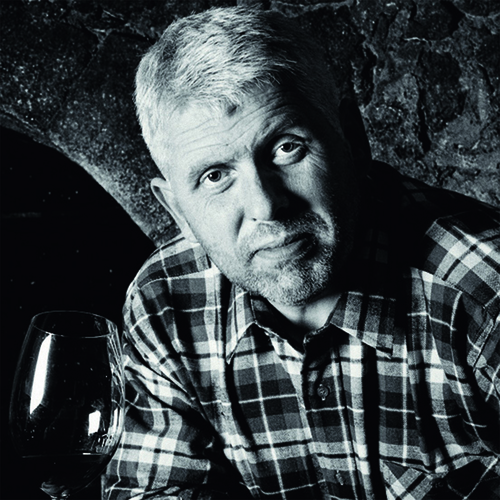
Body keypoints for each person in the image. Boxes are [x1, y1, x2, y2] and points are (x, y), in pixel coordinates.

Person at [103, 6, 500, 500]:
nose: (266, 206)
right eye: (215, 176)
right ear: (177, 210)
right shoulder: (165, 302)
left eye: (286, 148)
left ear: (352, 139)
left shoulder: (485, 291)